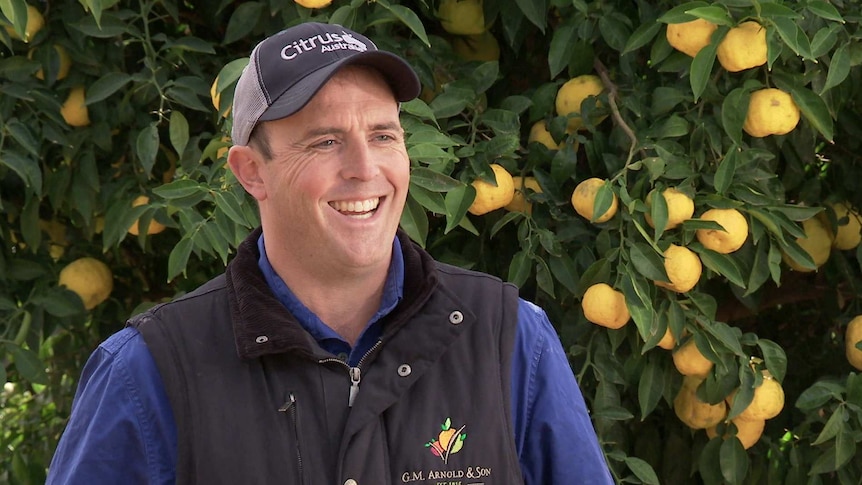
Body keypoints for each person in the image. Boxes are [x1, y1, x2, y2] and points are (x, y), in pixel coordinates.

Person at [47, 22, 613, 484]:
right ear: (251, 172)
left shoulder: (508, 338)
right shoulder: (150, 371)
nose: (366, 171)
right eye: (325, 142)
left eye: (384, 136)